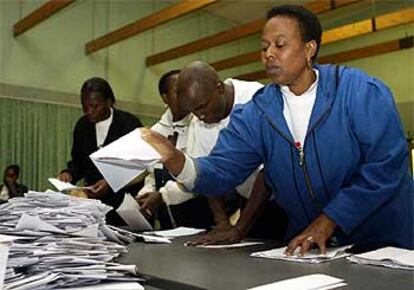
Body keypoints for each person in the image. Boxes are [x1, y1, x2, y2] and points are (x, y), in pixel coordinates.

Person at [143, 5, 414, 253]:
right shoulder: (258, 112)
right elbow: (222, 169)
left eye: (280, 45)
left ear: (309, 49)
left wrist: (331, 219)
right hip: (318, 247)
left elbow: (386, 165)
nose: (269, 54)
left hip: (384, 241)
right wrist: (177, 161)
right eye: (264, 47)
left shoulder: (360, 93)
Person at [58, 77, 143, 225]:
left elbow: (140, 166)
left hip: (125, 208)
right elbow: (79, 162)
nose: (89, 111)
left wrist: (111, 182)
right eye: (84, 107)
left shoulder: (129, 124)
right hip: (93, 208)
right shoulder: (82, 126)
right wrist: (69, 174)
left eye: (94, 106)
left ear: (109, 102)